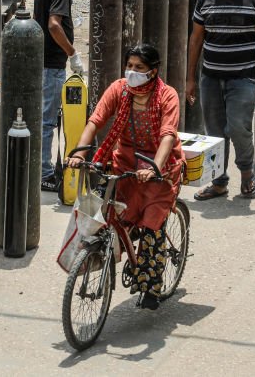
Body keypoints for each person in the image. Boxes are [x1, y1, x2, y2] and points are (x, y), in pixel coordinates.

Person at [67, 44, 184, 310]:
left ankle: (151, 287)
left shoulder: (167, 96)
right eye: (129, 66)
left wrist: (155, 167)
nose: (132, 72)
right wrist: (79, 153)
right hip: (126, 164)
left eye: (139, 68)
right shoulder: (119, 89)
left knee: (152, 227)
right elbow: (96, 120)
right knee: (106, 212)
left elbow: (168, 135)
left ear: (153, 72)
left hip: (159, 170)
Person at [187, 0, 255, 201]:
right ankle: (219, 181)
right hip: (210, 77)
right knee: (214, 131)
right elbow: (196, 39)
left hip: (243, 77)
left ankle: (247, 172)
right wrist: (190, 78)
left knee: (238, 128)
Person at [35, 0, 91, 192]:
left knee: (43, 118)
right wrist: (72, 53)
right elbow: (54, 25)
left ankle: (40, 168)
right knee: (47, 120)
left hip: (42, 61)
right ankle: (44, 173)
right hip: (52, 64)